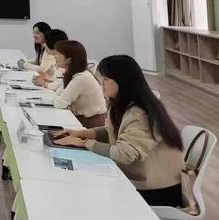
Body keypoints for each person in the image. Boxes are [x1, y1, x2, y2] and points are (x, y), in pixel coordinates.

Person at [54, 55, 184, 207]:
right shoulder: (121, 103)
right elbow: (111, 131)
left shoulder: (139, 113)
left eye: (106, 79)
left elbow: (125, 154)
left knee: (87, 196)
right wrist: (82, 134)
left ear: (122, 81)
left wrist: (84, 143)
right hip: (138, 179)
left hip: (156, 190)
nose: (101, 83)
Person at [49, 40, 107, 127]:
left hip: (91, 124)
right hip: (83, 119)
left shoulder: (81, 78)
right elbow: (58, 94)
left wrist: (58, 99)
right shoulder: (73, 74)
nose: (54, 57)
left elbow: (59, 103)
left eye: (57, 54)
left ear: (69, 60)